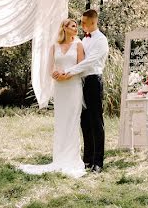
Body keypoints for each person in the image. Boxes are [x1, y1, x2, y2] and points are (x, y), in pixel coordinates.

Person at [17, 19, 87, 178]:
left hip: (73, 87)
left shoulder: (79, 45)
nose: (76, 28)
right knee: (61, 121)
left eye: (76, 26)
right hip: (60, 89)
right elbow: (50, 69)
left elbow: (81, 67)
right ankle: (60, 157)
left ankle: (72, 158)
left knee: (73, 121)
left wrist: (67, 75)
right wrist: (56, 75)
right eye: (73, 26)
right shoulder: (54, 47)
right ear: (65, 28)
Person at [56, 9, 108, 173]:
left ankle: (98, 162)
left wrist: (69, 72)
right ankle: (87, 159)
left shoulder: (101, 40)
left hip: (93, 80)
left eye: (84, 22)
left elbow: (89, 62)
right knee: (84, 120)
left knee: (96, 121)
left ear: (93, 22)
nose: (82, 25)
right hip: (80, 82)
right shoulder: (82, 40)